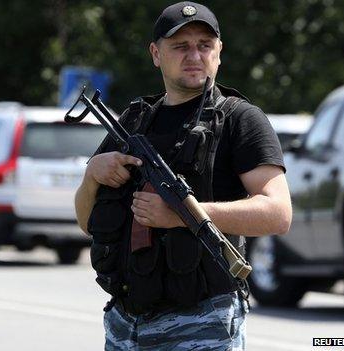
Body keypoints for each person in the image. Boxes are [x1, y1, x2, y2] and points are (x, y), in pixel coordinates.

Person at [74, 2, 292, 350]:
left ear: (219, 52)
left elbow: (277, 213)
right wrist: (92, 177)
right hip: (124, 324)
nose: (195, 55)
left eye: (204, 45)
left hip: (203, 321)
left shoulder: (240, 120)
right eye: (180, 46)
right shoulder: (134, 120)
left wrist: (182, 215)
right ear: (156, 53)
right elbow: (87, 222)